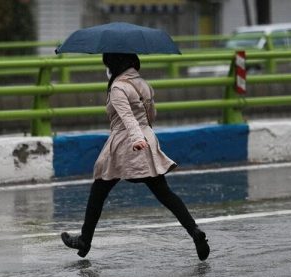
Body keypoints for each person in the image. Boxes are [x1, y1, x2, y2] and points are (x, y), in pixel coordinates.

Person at [61, 53, 210, 261]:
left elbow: (128, 118)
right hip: (146, 140)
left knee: (99, 190)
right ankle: (195, 232)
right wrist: (144, 135)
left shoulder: (118, 88)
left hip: (126, 143)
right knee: (165, 193)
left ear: (113, 64)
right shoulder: (143, 85)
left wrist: (136, 138)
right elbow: (151, 116)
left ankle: (85, 240)